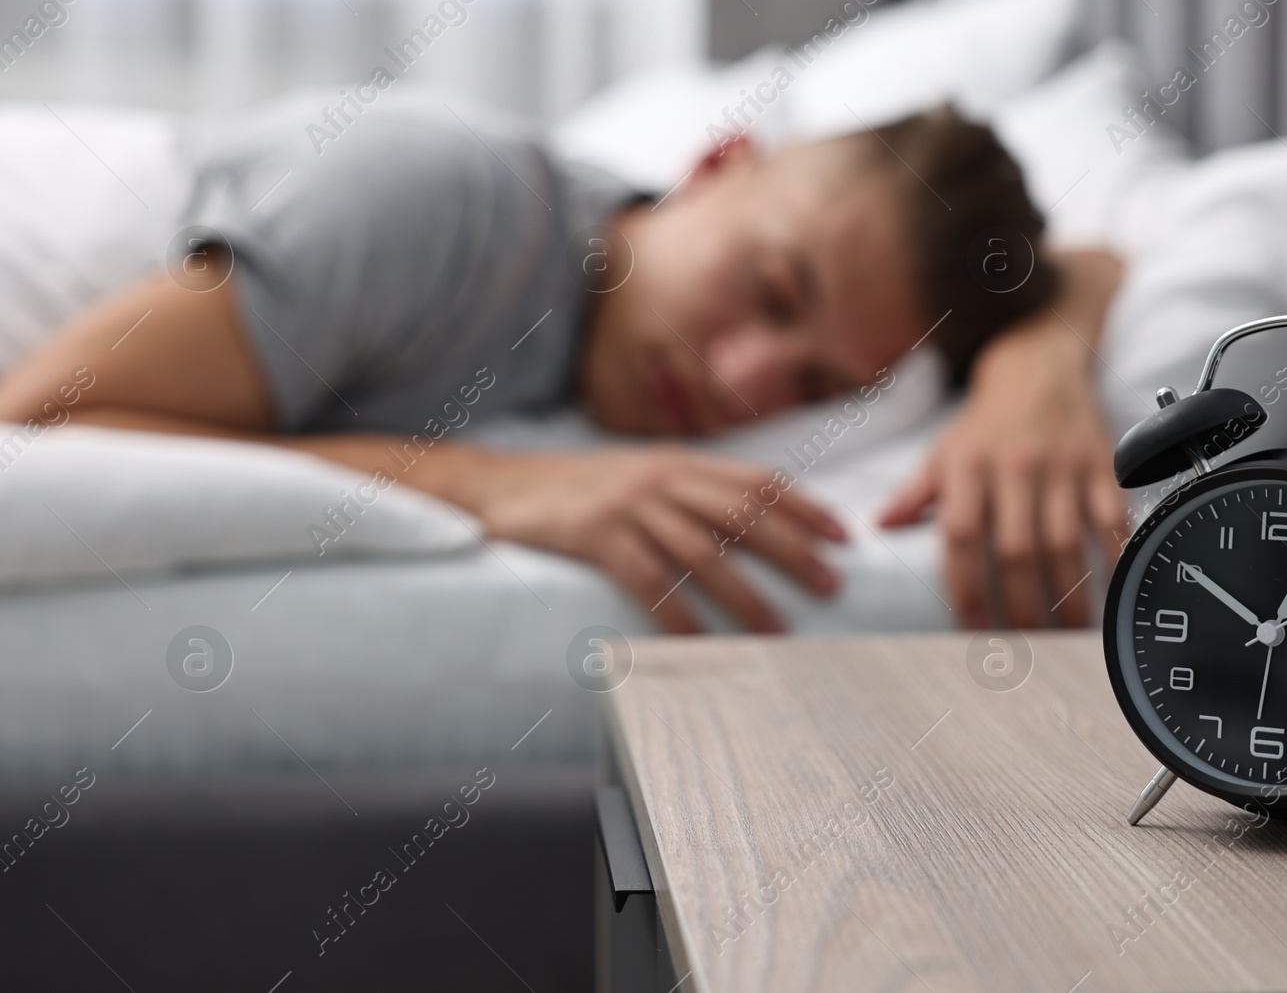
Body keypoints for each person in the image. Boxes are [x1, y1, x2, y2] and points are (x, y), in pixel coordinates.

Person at [0, 98, 1124, 632]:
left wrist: (1037, 378)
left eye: (818, 386)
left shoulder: (591, 305)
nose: (743, 383)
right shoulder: (451, 210)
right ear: (717, 161)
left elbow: (1099, 256)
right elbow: (42, 429)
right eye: (773, 291)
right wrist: (503, 488)